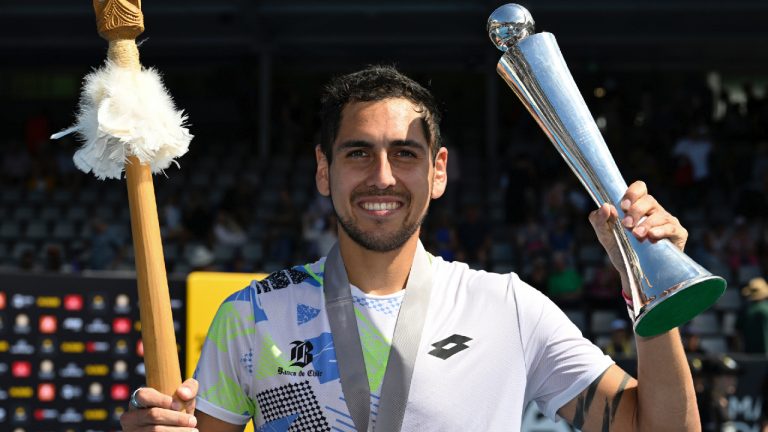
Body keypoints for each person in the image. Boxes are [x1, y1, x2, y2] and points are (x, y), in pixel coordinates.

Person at [120, 66, 699, 431]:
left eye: (404, 153)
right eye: (357, 153)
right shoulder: (251, 316)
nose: (382, 176)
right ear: (324, 170)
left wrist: (651, 288)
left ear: (438, 171)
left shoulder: (507, 308)